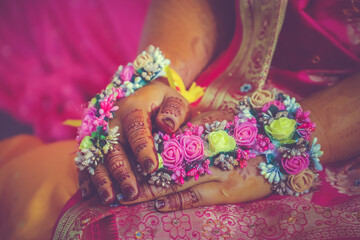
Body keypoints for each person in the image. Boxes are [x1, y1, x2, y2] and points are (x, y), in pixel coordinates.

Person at [1, 0, 360, 239]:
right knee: (43, 184)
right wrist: (156, 78)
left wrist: (283, 145)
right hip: (201, 94)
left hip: (339, 136)